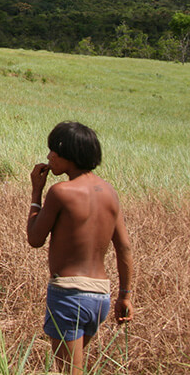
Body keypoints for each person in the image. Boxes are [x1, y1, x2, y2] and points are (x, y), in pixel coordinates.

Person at [27, 122, 134, 375]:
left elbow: (35, 239)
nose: (49, 157)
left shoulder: (60, 192)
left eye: (54, 151)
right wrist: (125, 295)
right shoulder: (109, 193)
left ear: (70, 156)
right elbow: (125, 248)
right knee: (73, 366)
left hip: (69, 295)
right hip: (100, 298)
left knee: (70, 372)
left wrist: (35, 193)